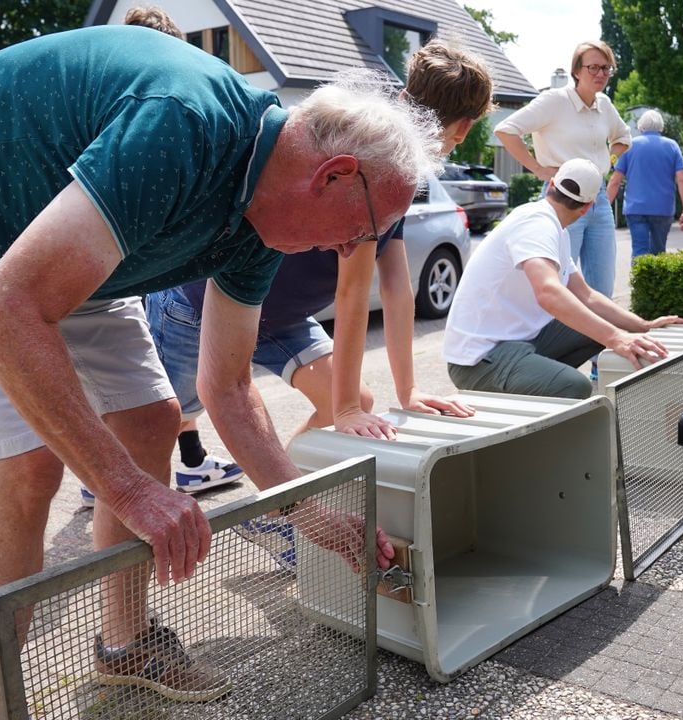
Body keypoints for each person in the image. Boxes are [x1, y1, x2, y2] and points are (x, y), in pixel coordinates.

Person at [0, 25, 439, 720]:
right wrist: (128, 490)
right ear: (334, 173)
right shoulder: (182, 126)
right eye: (365, 227)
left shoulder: (263, 222)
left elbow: (227, 388)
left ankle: (123, 644)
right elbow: (4, 315)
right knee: (29, 462)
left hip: (54, 234)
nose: (354, 249)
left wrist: (309, 513)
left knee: (153, 420)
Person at [95, 37, 490, 504]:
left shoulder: (399, 173)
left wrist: (406, 392)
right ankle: (103, 480)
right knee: (157, 425)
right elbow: (352, 293)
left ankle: (276, 504)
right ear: (464, 128)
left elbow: (397, 286)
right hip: (201, 305)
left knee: (355, 401)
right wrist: (341, 409)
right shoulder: (378, 158)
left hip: (278, 318)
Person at [443, 159, 683, 399]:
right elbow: (548, 292)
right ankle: (536, 396)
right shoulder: (537, 224)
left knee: (597, 329)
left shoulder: (554, 227)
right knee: (574, 387)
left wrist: (641, 326)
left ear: (551, 186)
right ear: (588, 207)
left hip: (517, 339)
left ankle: (537, 386)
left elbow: (587, 296)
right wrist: (615, 337)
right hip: (478, 360)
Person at [494, 40, 631, 301]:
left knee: (602, 287)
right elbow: (506, 130)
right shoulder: (554, 101)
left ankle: (598, 341)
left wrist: (606, 157)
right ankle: (558, 341)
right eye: (593, 67)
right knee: (561, 284)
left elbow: (624, 137)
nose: (600, 74)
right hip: (563, 198)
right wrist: (538, 169)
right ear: (576, 71)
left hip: (598, 199)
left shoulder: (605, 105)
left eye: (606, 68)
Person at [607, 109, 683, 258]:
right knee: (658, 253)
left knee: (639, 250)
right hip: (663, 208)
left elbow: (615, 180)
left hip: (636, 208)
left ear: (640, 127)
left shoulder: (630, 146)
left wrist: (606, 207)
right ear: (661, 127)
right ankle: (657, 281)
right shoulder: (672, 146)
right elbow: (682, 179)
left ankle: (639, 281)